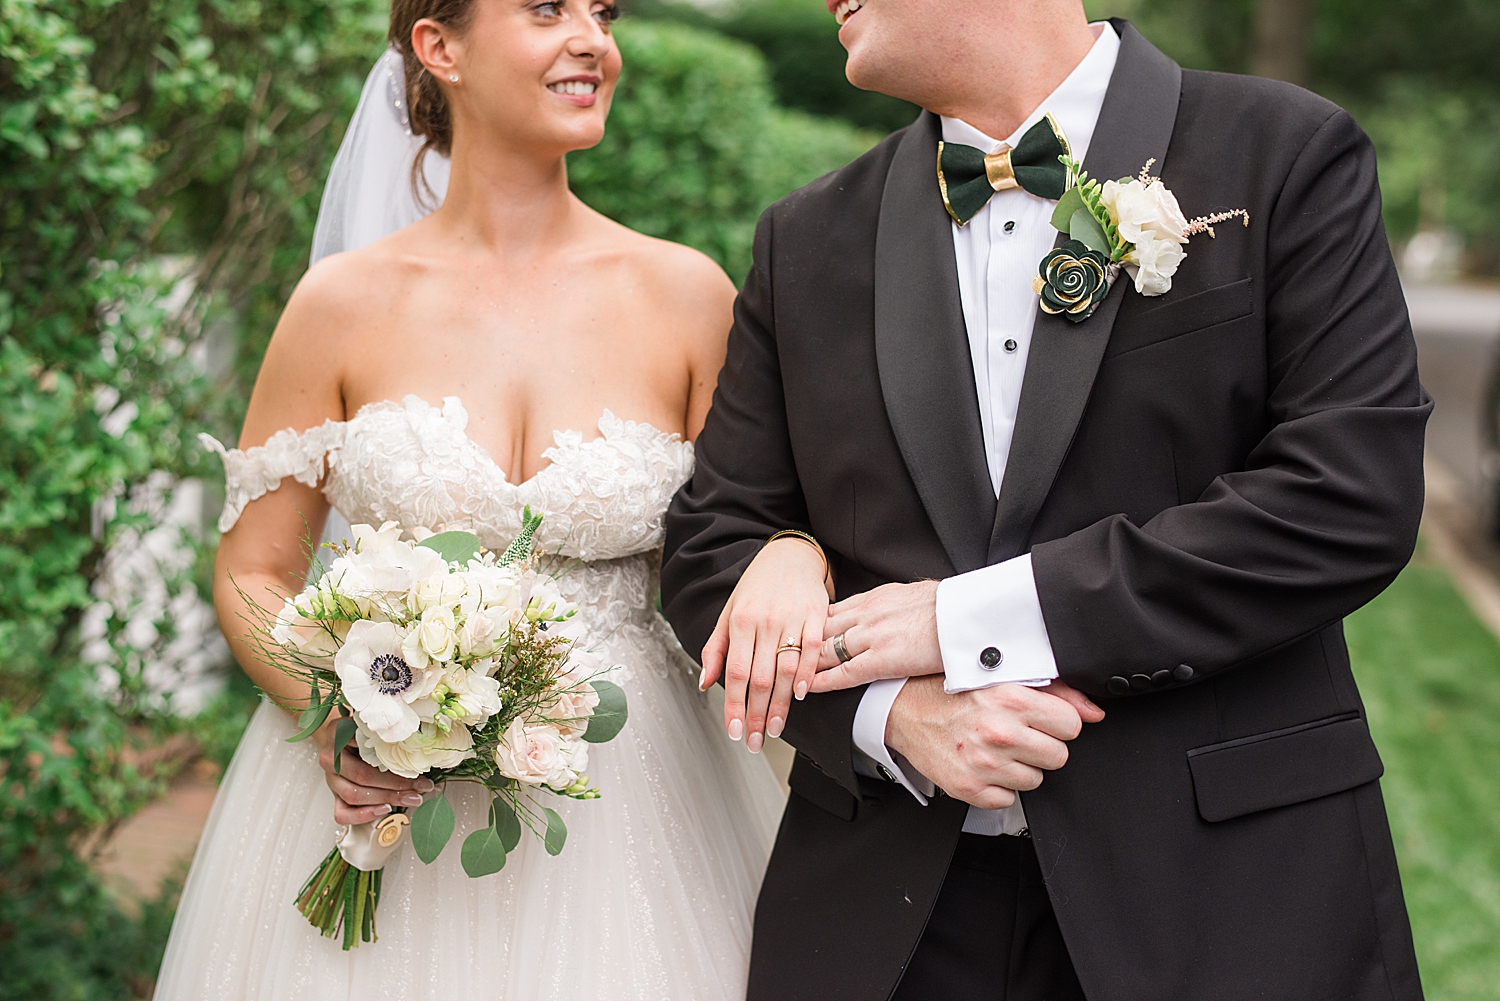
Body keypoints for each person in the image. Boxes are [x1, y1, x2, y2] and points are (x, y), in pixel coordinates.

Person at [661, 1, 1431, 999]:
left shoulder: (1286, 155)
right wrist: (886, 710)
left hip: (1226, 895)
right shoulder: (807, 237)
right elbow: (710, 545)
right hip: (891, 916)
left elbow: (1345, 500)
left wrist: (962, 622)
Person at [152, 1, 784, 997]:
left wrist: (797, 556)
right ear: (438, 47)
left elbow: (752, 538)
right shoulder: (339, 304)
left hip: (640, 797)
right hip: (386, 796)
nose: (591, 38)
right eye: (546, 9)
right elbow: (254, 567)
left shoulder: (687, 295)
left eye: (604, 12)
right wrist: (340, 719)